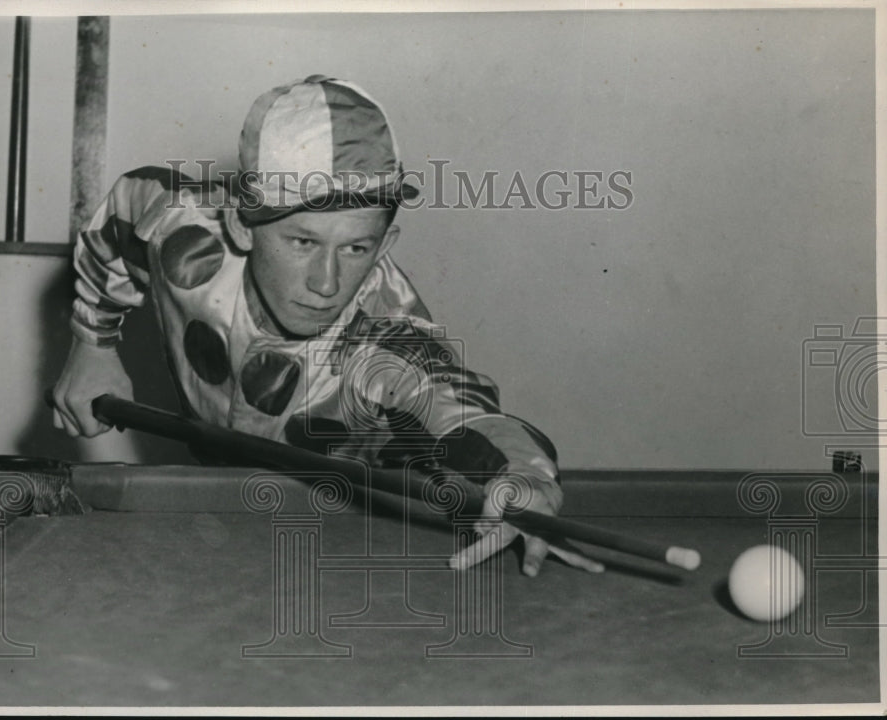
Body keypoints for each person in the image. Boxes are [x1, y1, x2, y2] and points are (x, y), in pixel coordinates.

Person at [51, 74, 602, 578]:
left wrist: (525, 474)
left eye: (357, 247)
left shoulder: (384, 338)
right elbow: (122, 210)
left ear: (385, 244)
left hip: (352, 532)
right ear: (244, 227)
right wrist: (92, 345)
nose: (327, 282)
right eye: (303, 242)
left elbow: (461, 408)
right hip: (223, 508)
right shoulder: (184, 233)